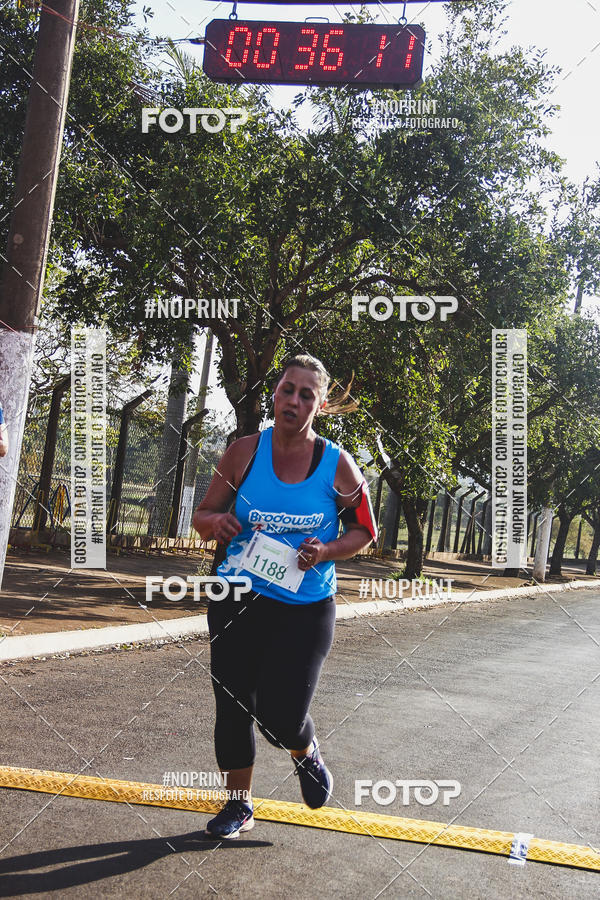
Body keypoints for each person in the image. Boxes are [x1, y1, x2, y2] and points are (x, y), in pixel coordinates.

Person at [192, 353, 378, 839]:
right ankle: (239, 805)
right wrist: (219, 523)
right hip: (236, 596)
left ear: (320, 405)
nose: (293, 400)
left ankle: (303, 749)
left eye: (306, 394)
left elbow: (365, 531)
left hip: (304, 608)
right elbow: (203, 514)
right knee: (232, 703)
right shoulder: (243, 452)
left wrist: (328, 549)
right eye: (287, 389)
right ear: (275, 393)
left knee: (279, 718)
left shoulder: (337, 466)